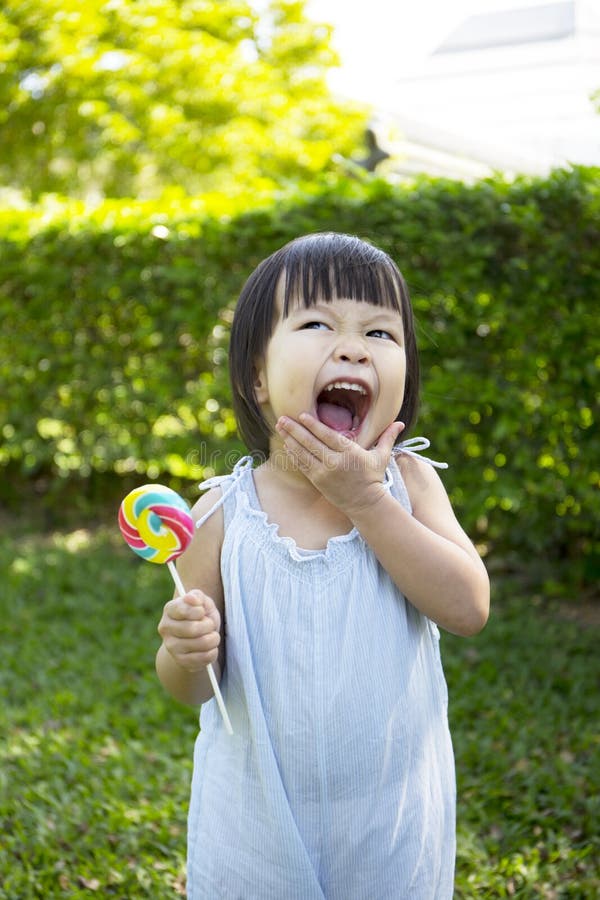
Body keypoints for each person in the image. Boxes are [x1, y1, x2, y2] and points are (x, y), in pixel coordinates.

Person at [156, 232, 490, 899]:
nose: (354, 348)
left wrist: (367, 501)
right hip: (254, 827)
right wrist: (184, 651)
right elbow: (191, 689)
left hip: (390, 829)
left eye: (380, 332)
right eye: (317, 324)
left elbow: (467, 609)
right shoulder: (220, 515)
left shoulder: (410, 486)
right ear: (256, 377)